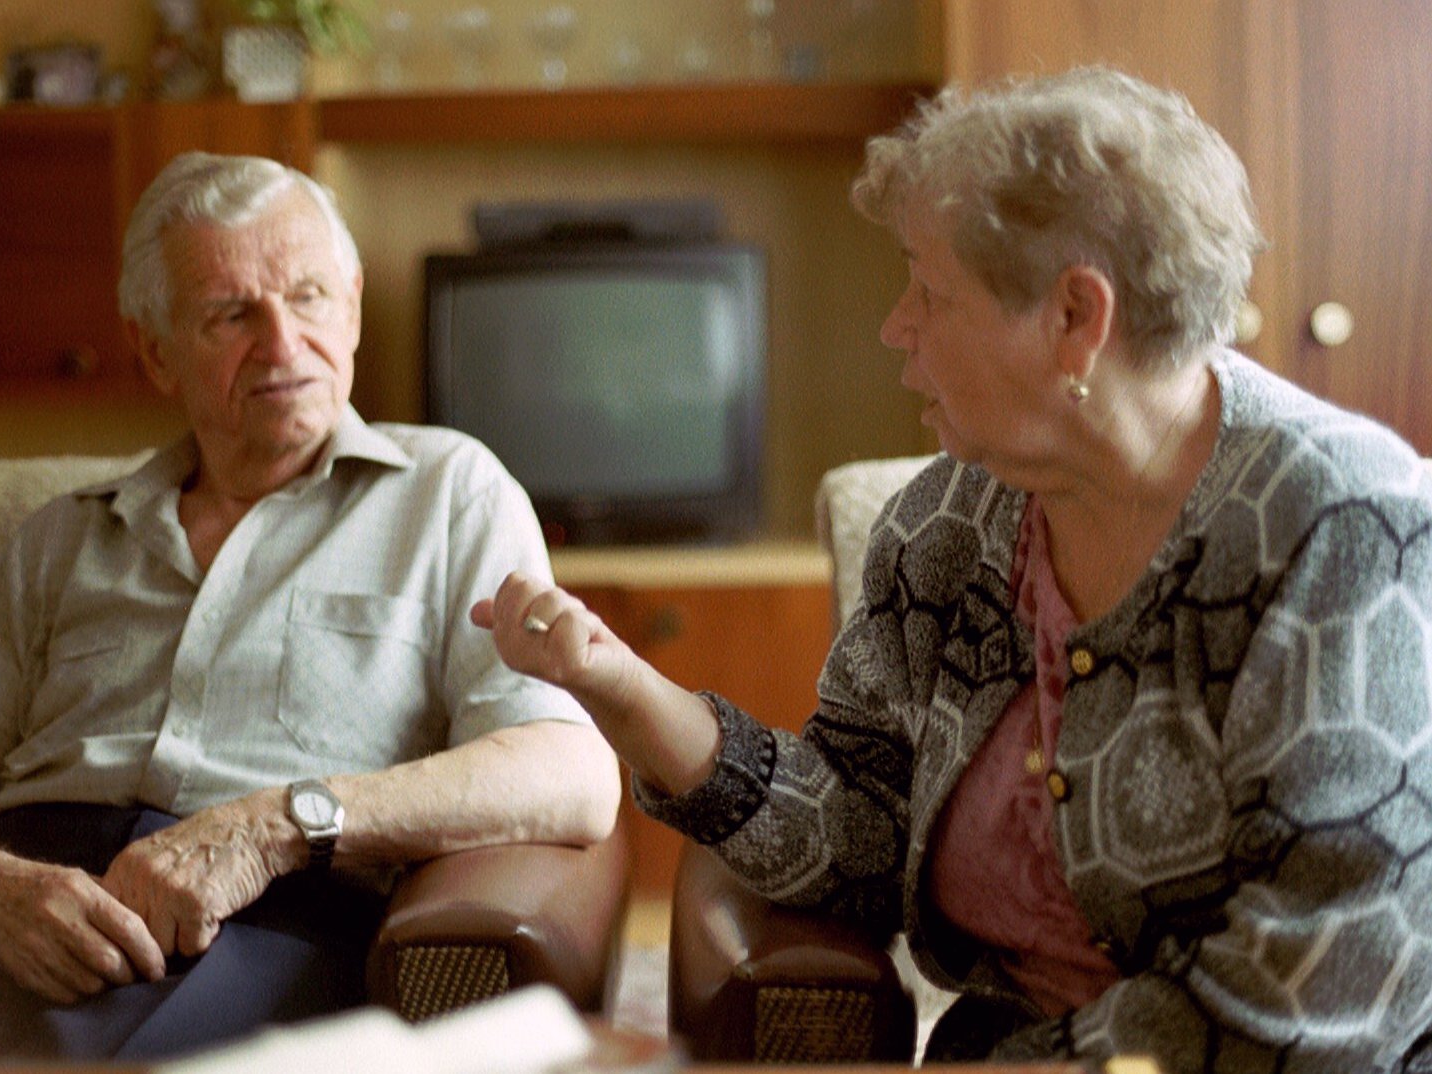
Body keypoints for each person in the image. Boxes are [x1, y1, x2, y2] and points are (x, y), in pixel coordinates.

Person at [474, 67, 1432, 1072]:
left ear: (1076, 318)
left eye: (930, 292)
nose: (896, 326)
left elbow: (1318, 1000)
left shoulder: (1346, 531)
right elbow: (861, 833)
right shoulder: (950, 521)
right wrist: (621, 689)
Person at [0, 151, 620, 1061]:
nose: (283, 344)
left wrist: (273, 826)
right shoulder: (64, 537)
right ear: (155, 350)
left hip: (260, 917)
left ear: (351, 307)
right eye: (230, 314)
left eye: (308, 297)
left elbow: (569, 775)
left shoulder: (450, 492)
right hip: (12, 911)